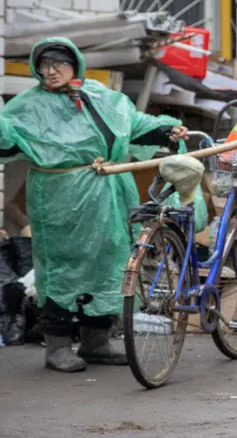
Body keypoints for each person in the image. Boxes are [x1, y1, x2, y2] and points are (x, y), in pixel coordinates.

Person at [0, 38, 186, 372]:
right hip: (60, 196)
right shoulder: (28, 105)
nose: (50, 71)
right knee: (61, 265)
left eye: (57, 64)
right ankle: (56, 346)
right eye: (43, 65)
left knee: (109, 260)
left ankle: (96, 341)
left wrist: (166, 131)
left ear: (75, 65)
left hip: (109, 196)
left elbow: (134, 124)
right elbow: (7, 138)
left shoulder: (102, 95)